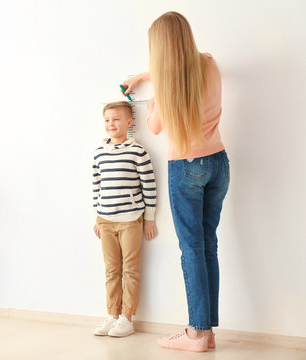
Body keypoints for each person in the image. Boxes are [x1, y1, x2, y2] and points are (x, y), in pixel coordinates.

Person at [122, 11, 230, 352]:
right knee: (208, 245)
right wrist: (145, 75)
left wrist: (151, 97)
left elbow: (154, 127)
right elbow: (181, 67)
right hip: (219, 163)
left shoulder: (168, 88)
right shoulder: (210, 64)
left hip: (186, 167)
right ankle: (206, 331)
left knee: (192, 250)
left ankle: (197, 333)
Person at [92, 101, 158, 338]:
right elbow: (97, 185)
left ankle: (126, 318)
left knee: (130, 269)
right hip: (106, 220)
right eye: (107, 120)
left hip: (131, 219)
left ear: (129, 123)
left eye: (116, 119)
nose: (111, 124)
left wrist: (149, 218)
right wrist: (98, 217)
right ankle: (112, 315)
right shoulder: (99, 152)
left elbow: (149, 185)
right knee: (111, 270)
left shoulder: (137, 151)